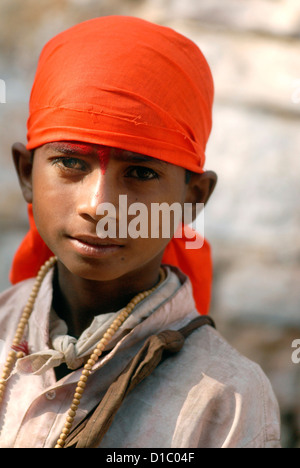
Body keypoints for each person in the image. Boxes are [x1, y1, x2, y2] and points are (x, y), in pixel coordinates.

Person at [0, 16, 281, 448]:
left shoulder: (224, 397)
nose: (98, 206)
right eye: (72, 163)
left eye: (141, 171)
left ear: (193, 197)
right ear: (26, 174)